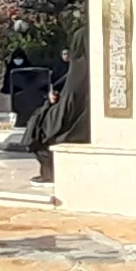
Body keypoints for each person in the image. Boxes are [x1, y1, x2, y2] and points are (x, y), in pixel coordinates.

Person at [25, 30, 91, 181]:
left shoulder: (78, 69)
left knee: (37, 128)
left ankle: (49, 174)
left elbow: (68, 105)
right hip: (82, 124)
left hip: (72, 128)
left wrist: (49, 105)